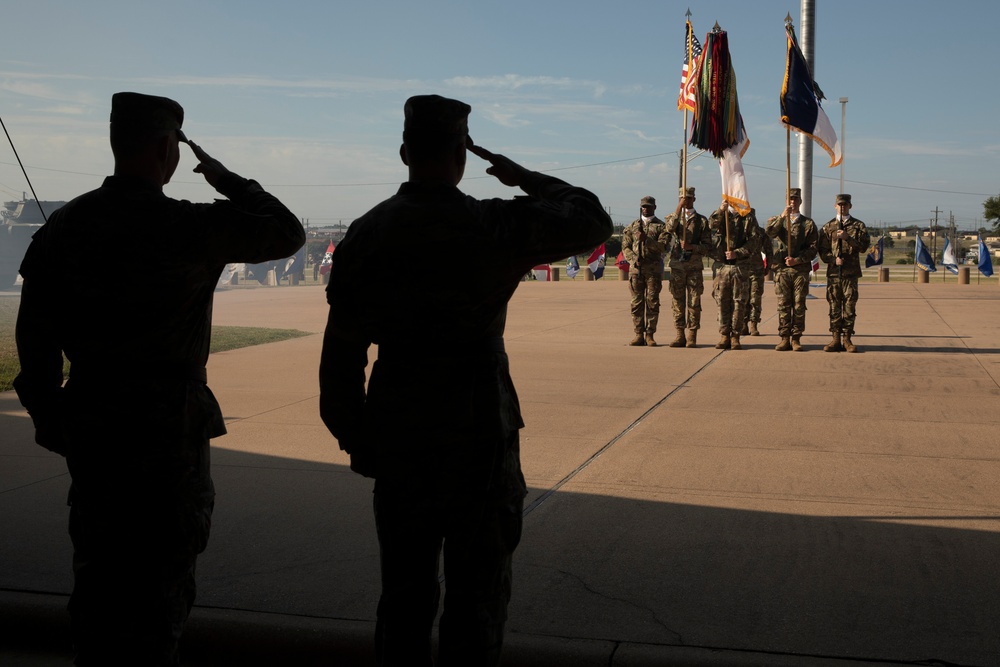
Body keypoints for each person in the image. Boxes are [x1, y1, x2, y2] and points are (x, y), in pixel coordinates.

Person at [318, 94, 612, 667]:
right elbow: (591, 218)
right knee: (477, 600)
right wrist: (519, 174)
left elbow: (341, 356)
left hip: (400, 428)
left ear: (404, 152)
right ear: (462, 154)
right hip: (479, 433)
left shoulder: (368, 233)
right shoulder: (491, 223)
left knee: (403, 598)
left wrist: (356, 436)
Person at [13, 92, 305, 666]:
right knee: (161, 584)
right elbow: (286, 231)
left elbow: (35, 338)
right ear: (168, 149)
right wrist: (228, 179)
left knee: (97, 575)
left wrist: (52, 416)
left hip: (94, 418)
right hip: (170, 425)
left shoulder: (65, 227)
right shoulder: (189, 225)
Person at [766, 188, 818, 351]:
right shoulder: (778, 219)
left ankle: (796, 338)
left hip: (799, 271)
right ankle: (784, 337)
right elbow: (769, 233)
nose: (793, 202)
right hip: (782, 270)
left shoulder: (808, 223)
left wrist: (798, 260)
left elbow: (813, 248)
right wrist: (782, 217)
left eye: (796, 199)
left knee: (799, 305)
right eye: (790, 199)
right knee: (783, 304)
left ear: (800, 202)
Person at [817, 193, 870, 352]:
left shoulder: (859, 226)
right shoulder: (828, 227)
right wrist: (834, 260)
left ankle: (847, 339)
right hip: (834, 274)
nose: (842, 207)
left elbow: (863, 247)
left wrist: (847, 238)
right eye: (839, 204)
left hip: (850, 273)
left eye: (845, 204)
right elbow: (822, 251)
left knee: (849, 306)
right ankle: (835, 339)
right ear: (835, 206)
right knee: (834, 306)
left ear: (850, 206)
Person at [708, 201, 760, 350]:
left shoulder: (748, 217)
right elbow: (711, 226)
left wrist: (737, 253)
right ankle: (724, 335)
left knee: (739, 302)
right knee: (722, 301)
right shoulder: (721, 214)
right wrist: (720, 210)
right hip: (721, 267)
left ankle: (736, 336)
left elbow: (754, 241)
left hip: (740, 266)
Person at [662, 187, 711, 348]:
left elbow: (707, 247)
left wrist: (692, 247)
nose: (686, 201)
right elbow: (668, 229)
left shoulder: (702, 221)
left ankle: (692, 335)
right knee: (677, 301)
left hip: (694, 267)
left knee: (694, 302)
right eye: (683, 198)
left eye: (689, 198)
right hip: (677, 267)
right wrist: (678, 209)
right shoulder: (673, 217)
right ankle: (679, 334)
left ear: (694, 199)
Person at [621, 195, 670, 346]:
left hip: (653, 270)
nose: (645, 209)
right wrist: (633, 259)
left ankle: (650, 334)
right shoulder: (633, 226)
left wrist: (646, 240)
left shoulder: (661, 227)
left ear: (654, 207)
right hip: (636, 270)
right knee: (636, 303)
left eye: (648, 206)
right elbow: (625, 247)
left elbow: (663, 247)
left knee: (652, 302)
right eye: (643, 206)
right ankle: (638, 334)